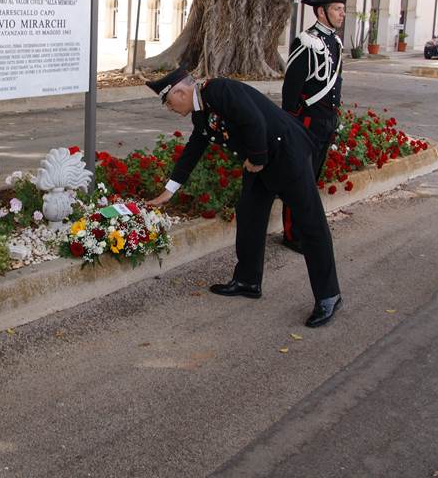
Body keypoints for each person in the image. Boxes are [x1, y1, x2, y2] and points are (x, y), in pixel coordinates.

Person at [146, 67, 342, 327]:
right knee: (249, 214)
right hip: (259, 160)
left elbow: (253, 121)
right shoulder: (202, 114)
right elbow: (194, 148)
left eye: (169, 103)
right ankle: (248, 281)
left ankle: (329, 296)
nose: (170, 109)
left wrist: (258, 160)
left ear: (181, 92)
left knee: (310, 224)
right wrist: (168, 191)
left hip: (286, 154)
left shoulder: (218, 90)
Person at [280, 0, 350, 253]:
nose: (341, 14)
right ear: (321, 12)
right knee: (300, 183)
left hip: (324, 122)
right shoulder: (307, 41)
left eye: (342, 9)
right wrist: (290, 125)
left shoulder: (333, 41)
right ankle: (292, 234)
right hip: (305, 123)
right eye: (336, 9)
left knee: (313, 181)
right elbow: (291, 89)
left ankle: (306, 229)